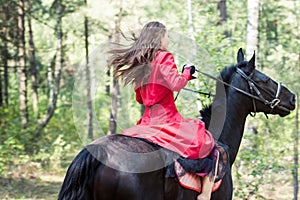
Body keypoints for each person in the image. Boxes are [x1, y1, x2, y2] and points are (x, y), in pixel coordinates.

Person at [108, 21, 218, 200]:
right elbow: (176, 84)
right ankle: (205, 194)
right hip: (167, 120)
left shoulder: (142, 63)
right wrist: (187, 73)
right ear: (159, 37)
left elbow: (139, 98)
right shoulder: (164, 57)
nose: (168, 40)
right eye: (166, 36)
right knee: (206, 140)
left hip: (147, 122)